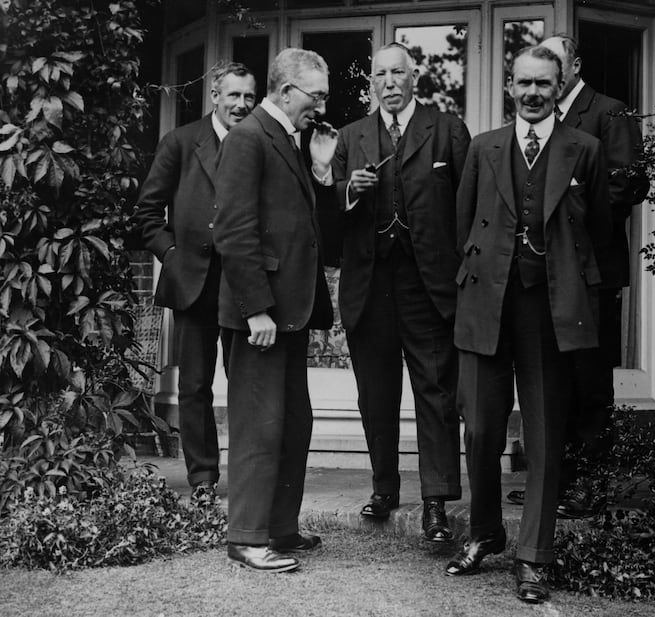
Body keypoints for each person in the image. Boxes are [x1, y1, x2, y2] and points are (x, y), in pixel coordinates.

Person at [446, 45, 611, 603]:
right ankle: (486, 531)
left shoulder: (584, 149)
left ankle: (534, 556)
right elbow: (461, 225)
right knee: (482, 429)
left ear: (560, 85)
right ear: (510, 86)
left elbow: (601, 235)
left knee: (543, 436)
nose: (534, 93)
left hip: (551, 310)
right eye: (524, 84)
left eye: (544, 83)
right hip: (486, 304)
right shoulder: (483, 148)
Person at [326, 43, 470, 542]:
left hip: (427, 284)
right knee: (376, 394)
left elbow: (467, 206)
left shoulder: (447, 129)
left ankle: (435, 502)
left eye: (398, 73)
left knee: (434, 390)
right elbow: (329, 208)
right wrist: (351, 191)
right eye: (380, 75)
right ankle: (384, 487)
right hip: (370, 284)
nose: (389, 82)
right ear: (372, 83)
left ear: (415, 78)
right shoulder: (351, 136)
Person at [506, 34, 650, 517]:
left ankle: (590, 485)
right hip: (543, 274)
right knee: (551, 378)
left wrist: (567, 213)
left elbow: (628, 184)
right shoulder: (540, 118)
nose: (546, 74)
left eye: (555, 65)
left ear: (574, 66)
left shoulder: (609, 112)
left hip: (590, 272)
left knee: (589, 380)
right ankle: (554, 483)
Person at [213, 48, 335, 572]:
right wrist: (256, 308)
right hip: (261, 315)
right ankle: (245, 536)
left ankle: (279, 529)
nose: (322, 107)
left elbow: (304, 227)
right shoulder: (249, 138)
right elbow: (234, 230)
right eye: (317, 96)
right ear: (286, 91)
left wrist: (323, 172)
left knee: (292, 423)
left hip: (288, 313)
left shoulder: (286, 138)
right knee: (260, 425)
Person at [133, 61, 256, 504]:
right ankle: (203, 479)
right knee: (194, 385)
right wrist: (173, 255)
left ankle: (248, 478)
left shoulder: (260, 143)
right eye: (234, 95)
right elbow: (147, 215)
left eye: (249, 97)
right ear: (215, 97)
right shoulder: (181, 143)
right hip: (194, 285)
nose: (241, 105)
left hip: (245, 285)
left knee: (246, 384)